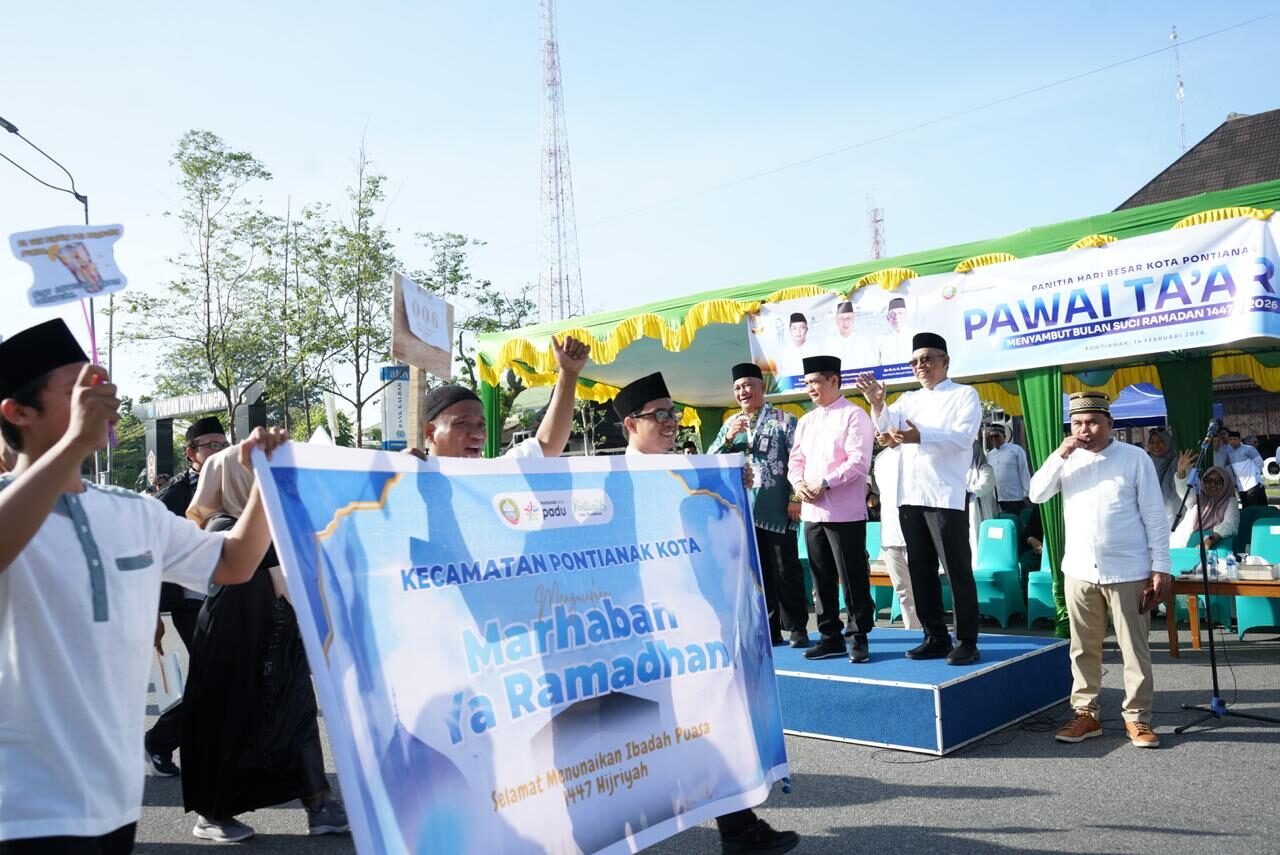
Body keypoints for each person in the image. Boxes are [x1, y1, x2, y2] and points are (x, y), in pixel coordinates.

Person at [0, 318, 285, 852]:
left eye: (101, 385)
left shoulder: (133, 512)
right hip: (20, 802)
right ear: (19, 412)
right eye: (77, 389)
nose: (100, 397)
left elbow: (234, 563)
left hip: (113, 795)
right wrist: (73, 444)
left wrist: (267, 483)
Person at [613, 372, 798, 855]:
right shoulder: (615, 479)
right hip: (648, 630)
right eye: (660, 415)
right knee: (658, 736)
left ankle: (737, 828)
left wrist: (733, 482)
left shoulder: (687, 467)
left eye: (674, 413)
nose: (671, 422)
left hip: (698, 625)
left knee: (709, 722)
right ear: (631, 423)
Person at [179, 448, 348, 843]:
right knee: (228, 720)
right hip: (235, 643)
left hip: (279, 638)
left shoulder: (285, 524)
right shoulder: (221, 524)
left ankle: (318, 802)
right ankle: (213, 812)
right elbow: (276, 579)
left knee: (299, 718)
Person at [1029, 392, 1170, 749]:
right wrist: (1060, 454)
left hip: (1128, 569)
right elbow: (1036, 494)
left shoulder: (1134, 458)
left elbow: (1155, 515)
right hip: (1078, 569)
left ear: (1110, 424)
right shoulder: (1066, 459)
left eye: (1092, 422)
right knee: (1082, 648)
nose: (1085, 430)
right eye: (1077, 423)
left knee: (1133, 649)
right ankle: (1086, 713)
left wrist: (1161, 567)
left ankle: (1137, 718)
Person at [855, 332, 983, 665]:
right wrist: (877, 402)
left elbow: (962, 437)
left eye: (927, 359)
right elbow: (885, 429)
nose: (920, 366)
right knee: (921, 571)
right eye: (915, 361)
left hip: (944, 495)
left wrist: (919, 435)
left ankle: (967, 639)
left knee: (956, 570)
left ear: (945, 361)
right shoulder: (909, 399)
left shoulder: (964, 394)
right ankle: (935, 636)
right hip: (909, 495)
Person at [144, 414, 229, 777]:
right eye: (210, 445)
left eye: (223, 445)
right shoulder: (172, 496)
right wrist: (152, 614)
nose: (218, 451)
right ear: (190, 453)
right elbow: (148, 556)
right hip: (190, 600)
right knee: (217, 676)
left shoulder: (239, 483)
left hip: (232, 593)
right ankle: (159, 742)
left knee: (226, 677)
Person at [708, 363, 810, 647]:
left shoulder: (784, 420)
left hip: (778, 508)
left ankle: (798, 628)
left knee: (785, 569)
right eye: (737, 388)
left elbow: (800, 462)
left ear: (762, 387)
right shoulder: (730, 424)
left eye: (748, 385)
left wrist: (795, 498)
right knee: (758, 572)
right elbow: (710, 459)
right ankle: (769, 628)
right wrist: (729, 438)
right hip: (744, 512)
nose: (743, 392)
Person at [787, 355, 875, 663]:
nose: (811, 388)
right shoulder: (806, 421)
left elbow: (858, 462)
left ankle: (858, 635)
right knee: (821, 577)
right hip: (812, 511)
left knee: (851, 577)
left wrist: (825, 482)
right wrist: (798, 485)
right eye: (807, 382)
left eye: (816, 381)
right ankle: (829, 636)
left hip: (844, 512)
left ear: (834, 381)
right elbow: (795, 461)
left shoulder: (855, 415)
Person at [420, 336, 589, 458]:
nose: (478, 435)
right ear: (429, 431)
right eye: (463, 423)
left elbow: (548, 445)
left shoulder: (497, 474)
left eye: (481, 425)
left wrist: (569, 372)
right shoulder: (409, 480)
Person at [872, 432, 919, 629]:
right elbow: (878, 494)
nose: (879, 435)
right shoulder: (880, 459)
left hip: (916, 532)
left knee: (921, 587)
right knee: (902, 589)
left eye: (883, 429)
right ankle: (913, 631)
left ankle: (933, 632)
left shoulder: (915, 453)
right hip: (890, 532)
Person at [1171, 452, 1240, 551]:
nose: (1212, 485)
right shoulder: (1198, 497)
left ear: (1226, 483)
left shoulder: (1230, 501)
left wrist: (1209, 540)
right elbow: (1184, 492)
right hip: (1181, 546)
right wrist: (1181, 471)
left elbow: (1230, 524)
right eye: (1208, 480)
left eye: (1218, 481)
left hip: (1210, 550)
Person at [985, 424, 1031, 513]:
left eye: (996, 436)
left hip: (1015, 497)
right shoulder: (989, 455)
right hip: (996, 499)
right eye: (991, 437)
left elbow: (1024, 471)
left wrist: (1027, 493)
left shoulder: (1016, 450)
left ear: (1005, 436)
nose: (994, 438)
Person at [966, 437, 998, 560]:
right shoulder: (963, 470)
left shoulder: (986, 469)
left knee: (979, 543)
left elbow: (984, 486)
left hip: (980, 513)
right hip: (964, 512)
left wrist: (964, 491)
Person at [1145, 429, 1182, 529]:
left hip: (1175, 515)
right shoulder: (1144, 464)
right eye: (1152, 442)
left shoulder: (1178, 462)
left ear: (1168, 442)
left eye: (1160, 441)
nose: (1156, 445)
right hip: (1151, 517)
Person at [1226, 430, 1267, 508]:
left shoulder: (1249, 449)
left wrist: (1256, 476)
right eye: (1230, 439)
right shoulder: (1230, 453)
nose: (1232, 441)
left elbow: (1260, 463)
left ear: (1240, 440)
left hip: (1253, 483)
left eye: (1235, 439)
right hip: (1241, 486)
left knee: (1256, 507)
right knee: (1246, 508)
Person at [876, 296, 912, 366]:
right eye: (892, 314)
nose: (896, 317)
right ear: (887, 318)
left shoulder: (915, 335)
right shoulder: (880, 338)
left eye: (900, 313)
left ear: (906, 315)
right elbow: (876, 363)